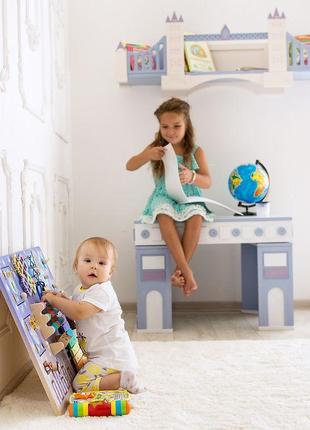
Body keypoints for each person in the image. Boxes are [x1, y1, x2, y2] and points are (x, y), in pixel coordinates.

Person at [126, 97, 214, 296]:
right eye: (165, 126)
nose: (171, 131)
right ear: (159, 127)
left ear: (186, 125)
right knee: (163, 214)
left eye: (176, 126)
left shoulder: (195, 151)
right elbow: (129, 165)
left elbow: (207, 181)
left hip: (188, 195)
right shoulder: (157, 148)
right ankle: (187, 271)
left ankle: (179, 271)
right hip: (163, 195)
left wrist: (192, 176)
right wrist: (147, 155)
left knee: (196, 215)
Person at [42, 236, 143, 394]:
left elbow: (80, 312)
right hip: (103, 355)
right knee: (81, 371)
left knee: (79, 385)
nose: (94, 266)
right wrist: (64, 300)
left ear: (110, 272)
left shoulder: (102, 291)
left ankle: (122, 379)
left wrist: (54, 300)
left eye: (102, 263)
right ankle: (119, 376)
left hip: (111, 356)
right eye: (88, 261)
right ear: (76, 266)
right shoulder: (81, 290)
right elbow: (77, 308)